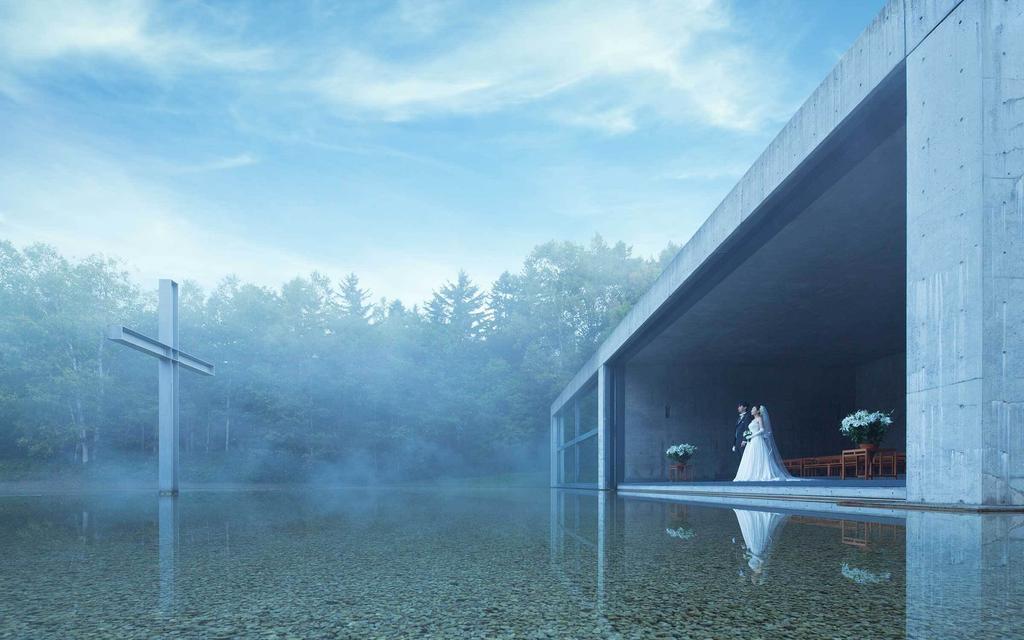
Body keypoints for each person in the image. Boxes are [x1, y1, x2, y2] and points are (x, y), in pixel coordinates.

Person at [733, 405, 797, 482]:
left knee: (759, 457)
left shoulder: (759, 418)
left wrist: (752, 435)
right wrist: (747, 435)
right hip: (751, 441)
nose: (752, 410)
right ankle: (752, 473)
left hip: (757, 439)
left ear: (758, 411)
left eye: (753, 409)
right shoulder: (753, 420)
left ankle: (761, 473)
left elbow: (762, 429)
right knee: (751, 457)